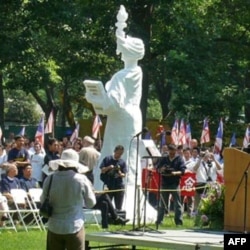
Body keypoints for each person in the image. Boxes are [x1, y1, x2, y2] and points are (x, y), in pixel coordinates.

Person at [41, 148, 96, 250]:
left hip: (54, 226)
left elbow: (42, 200)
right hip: (74, 225)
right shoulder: (81, 179)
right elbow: (91, 203)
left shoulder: (50, 178)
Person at [156, 144, 186, 226]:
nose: (172, 153)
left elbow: (183, 171)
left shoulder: (179, 159)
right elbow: (157, 169)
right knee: (162, 203)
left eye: (173, 152)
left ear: (176, 151)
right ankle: (159, 221)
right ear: (168, 151)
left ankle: (179, 222)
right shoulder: (164, 159)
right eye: (170, 152)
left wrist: (175, 173)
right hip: (164, 183)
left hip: (174, 183)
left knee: (177, 204)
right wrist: (161, 169)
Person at [99, 145, 127, 210]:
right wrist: (109, 167)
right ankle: (108, 218)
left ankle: (118, 218)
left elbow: (124, 174)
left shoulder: (122, 162)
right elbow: (102, 170)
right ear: (114, 151)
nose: (119, 155)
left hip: (118, 185)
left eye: (121, 153)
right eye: (118, 153)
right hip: (109, 185)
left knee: (119, 206)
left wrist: (120, 173)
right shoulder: (107, 159)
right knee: (107, 204)